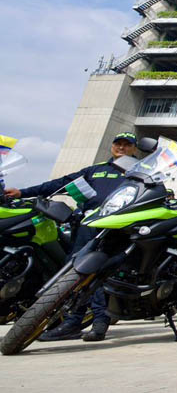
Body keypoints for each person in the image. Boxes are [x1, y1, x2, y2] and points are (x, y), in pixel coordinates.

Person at [5, 132, 140, 342]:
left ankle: (99, 322)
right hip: (87, 225)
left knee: (99, 274)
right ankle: (71, 321)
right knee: (74, 273)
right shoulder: (95, 170)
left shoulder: (140, 172)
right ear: (112, 146)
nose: (121, 148)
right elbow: (60, 184)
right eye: (118, 144)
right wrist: (23, 193)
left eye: (127, 145)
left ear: (134, 149)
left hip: (117, 229)